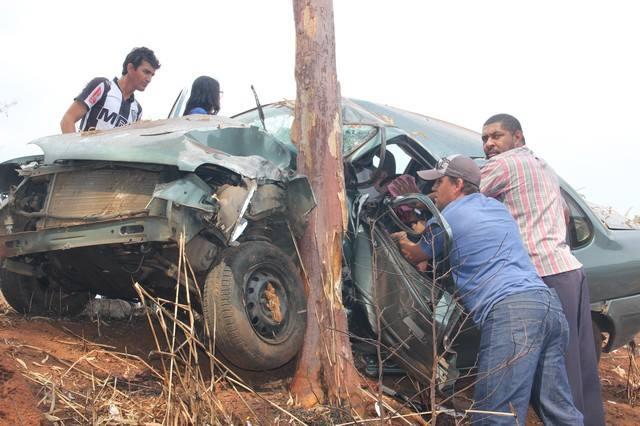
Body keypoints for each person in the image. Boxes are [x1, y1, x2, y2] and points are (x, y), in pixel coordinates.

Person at [397, 155, 582, 425]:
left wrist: (401, 238)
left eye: (438, 183)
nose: (432, 190)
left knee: (496, 414)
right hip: (547, 305)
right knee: (558, 408)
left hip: (513, 312)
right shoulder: (496, 209)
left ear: (458, 184)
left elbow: (416, 255)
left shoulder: (448, 217)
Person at [480, 114, 605, 425]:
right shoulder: (543, 166)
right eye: (485, 138)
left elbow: (461, 196)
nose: (489, 144)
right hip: (569, 270)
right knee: (580, 365)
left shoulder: (503, 165)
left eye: (496, 136)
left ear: (517, 138)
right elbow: (563, 214)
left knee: (557, 373)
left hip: (542, 273)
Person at [60, 47, 161, 133]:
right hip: (85, 154)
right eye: (146, 72)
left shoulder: (137, 110)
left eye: (152, 75)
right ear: (130, 68)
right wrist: (76, 152)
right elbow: (68, 119)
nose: (149, 79)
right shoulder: (103, 86)